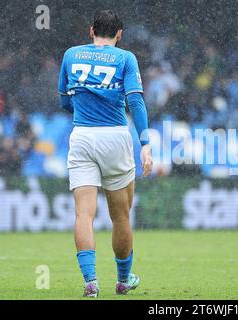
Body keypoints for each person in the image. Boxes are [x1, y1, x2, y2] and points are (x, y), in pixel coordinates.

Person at [58, 10, 153, 297]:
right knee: (120, 215)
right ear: (119, 34)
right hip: (114, 136)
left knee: (83, 214)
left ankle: (90, 282)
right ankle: (123, 281)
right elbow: (135, 101)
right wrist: (145, 143)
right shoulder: (125, 58)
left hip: (82, 136)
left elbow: (64, 101)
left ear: (91, 30)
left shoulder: (71, 55)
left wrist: (87, 107)